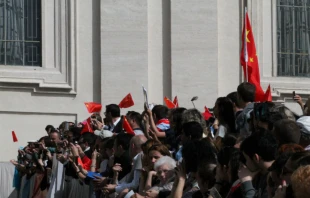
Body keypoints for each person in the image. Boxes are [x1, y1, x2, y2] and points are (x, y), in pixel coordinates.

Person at [239, 130, 278, 198]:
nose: (244, 165)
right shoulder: (260, 175)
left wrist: (247, 182)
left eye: (246, 159)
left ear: (256, 158)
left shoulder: (275, 180)